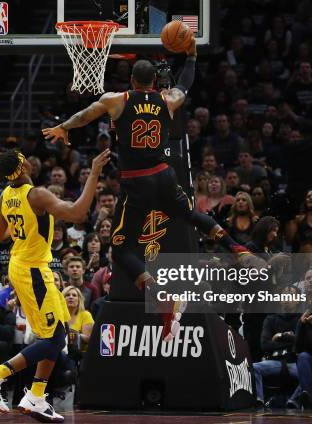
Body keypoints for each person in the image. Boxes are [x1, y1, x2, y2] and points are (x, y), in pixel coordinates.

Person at [43, 50, 254, 340]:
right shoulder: (167, 100)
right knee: (191, 214)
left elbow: (84, 115)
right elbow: (185, 85)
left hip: (136, 183)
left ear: (131, 80)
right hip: (164, 174)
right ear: (155, 81)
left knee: (121, 249)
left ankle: (158, 295)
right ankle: (237, 249)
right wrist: (191, 58)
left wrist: (63, 127)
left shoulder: (116, 100)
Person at [0, 148, 110, 422]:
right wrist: (93, 173)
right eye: (26, 160)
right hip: (33, 270)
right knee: (56, 338)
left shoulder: (7, 195)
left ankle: (35, 396)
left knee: (58, 331)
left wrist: (24, 223)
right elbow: (78, 213)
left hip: (23, 264)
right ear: (22, 168)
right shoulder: (37, 194)